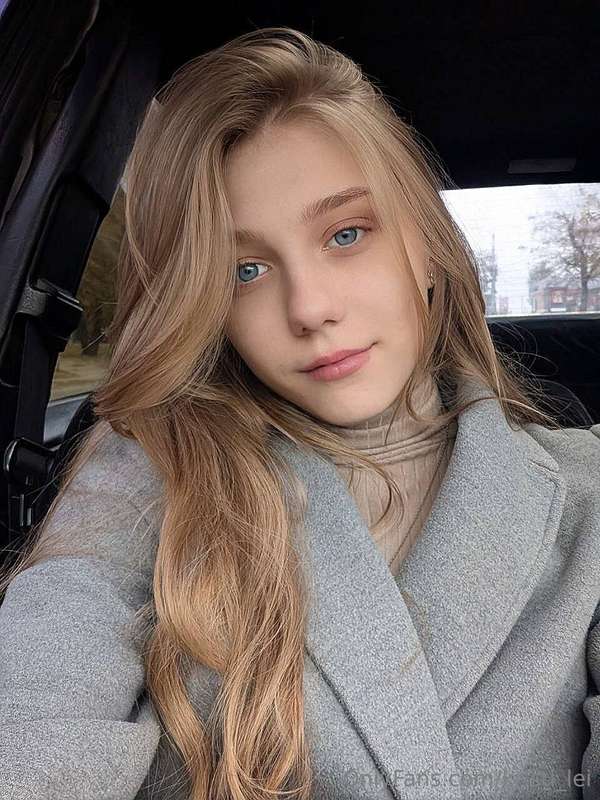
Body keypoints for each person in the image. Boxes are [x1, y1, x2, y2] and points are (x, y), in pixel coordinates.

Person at [0, 25, 598, 800]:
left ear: (424, 242)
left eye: (346, 234)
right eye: (244, 270)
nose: (310, 308)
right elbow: (37, 714)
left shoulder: (587, 493)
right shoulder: (148, 474)